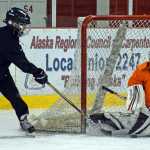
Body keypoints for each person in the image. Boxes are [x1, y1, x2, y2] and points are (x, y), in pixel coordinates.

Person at [0, 7, 48, 133]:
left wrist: (36, 72)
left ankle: (23, 119)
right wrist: (37, 72)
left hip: (2, 73)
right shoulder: (6, 38)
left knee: (15, 96)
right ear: (12, 23)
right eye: (22, 25)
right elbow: (21, 62)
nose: (24, 28)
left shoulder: (10, 34)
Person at [89, 61, 150, 137]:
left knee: (140, 116)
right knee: (137, 116)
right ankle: (102, 119)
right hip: (138, 92)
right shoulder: (142, 72)